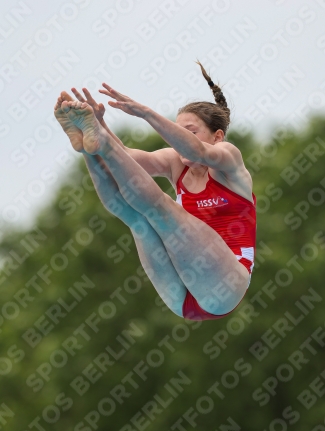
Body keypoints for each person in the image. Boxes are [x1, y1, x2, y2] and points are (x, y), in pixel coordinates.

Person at [54, 62, 256, 321]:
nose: (178, 143)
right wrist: (98, 124)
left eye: (189, 133)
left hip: (225, 286)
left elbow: (198, 151)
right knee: (136, 219)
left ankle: (94, 141)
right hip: (182, 301)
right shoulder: (175, 160)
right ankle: (84, 146)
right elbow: (124, 158)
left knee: (161, 209)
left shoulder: (229, 159)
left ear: (217, 137)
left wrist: (146, 113)